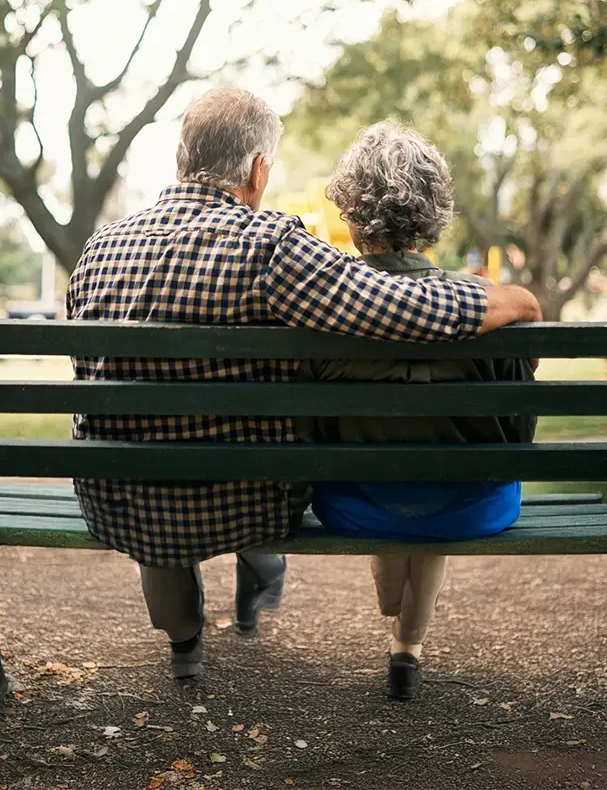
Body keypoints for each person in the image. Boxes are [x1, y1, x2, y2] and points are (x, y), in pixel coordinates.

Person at [66, 90, 541, 681]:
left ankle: (184, 640)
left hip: (122, 506)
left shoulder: (98, 249)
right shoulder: (268, 245)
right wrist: (507, 298)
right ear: (259, 169)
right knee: (242, 459)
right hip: (246, 504)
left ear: (181, 159)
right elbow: (400, 306)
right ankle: (260, 565)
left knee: (159, 489)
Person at [297, 122, 537, 701]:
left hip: (358, 509)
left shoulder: (325, 307)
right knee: (442, 487)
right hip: (470, 507)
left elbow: (313, 430)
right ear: (435, 212)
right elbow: (517, 433)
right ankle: (408, 644)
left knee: (391, 488)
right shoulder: (487, 312)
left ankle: (394, 606)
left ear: (351, 216)